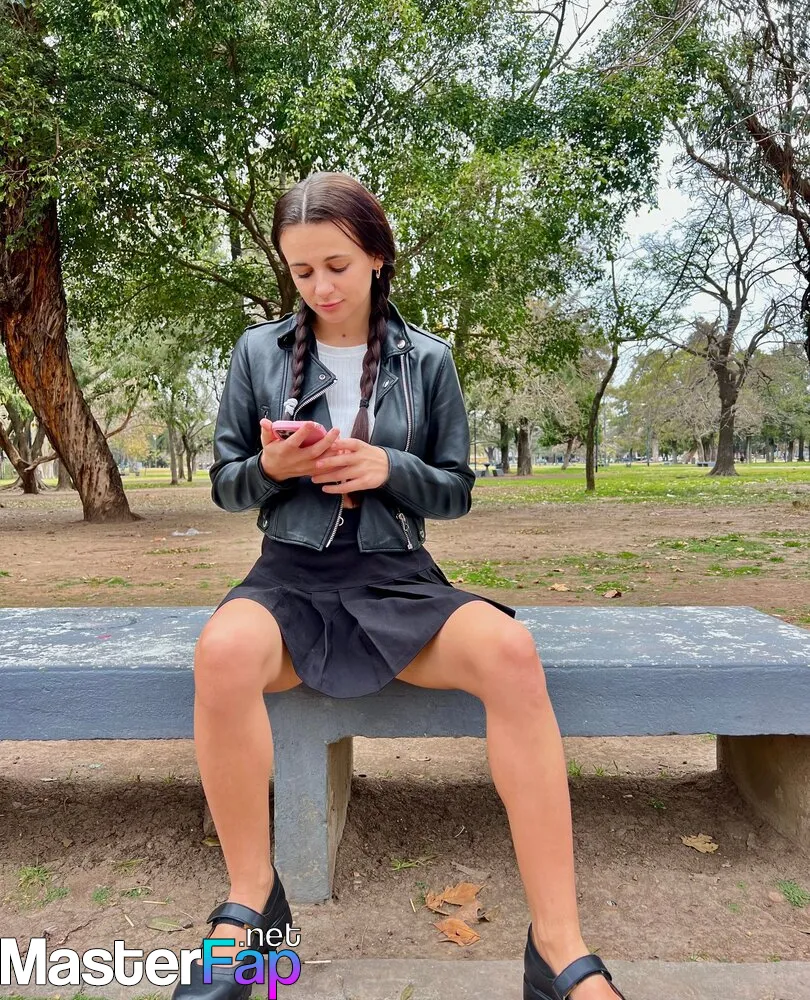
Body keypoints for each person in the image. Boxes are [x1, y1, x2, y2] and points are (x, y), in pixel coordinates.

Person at [173, 171, 627, 1000]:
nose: (320, 286)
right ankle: (252, 901)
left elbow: (454, 492)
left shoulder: (430, 360)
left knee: (512, 652)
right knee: (222, 652)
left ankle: (558, 947)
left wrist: (389, 467)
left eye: (337, 266)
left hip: (396, 577)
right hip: (289, 577)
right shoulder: (256, 353)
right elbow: (226, 485)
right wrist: (273, 466)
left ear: (377, 256)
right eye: (302, 270)